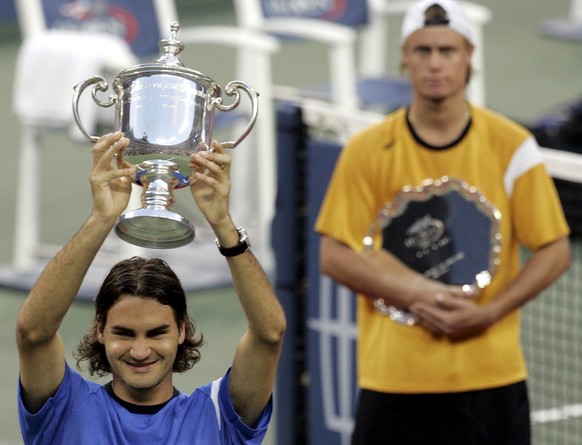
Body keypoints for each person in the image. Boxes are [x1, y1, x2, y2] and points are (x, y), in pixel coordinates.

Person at [315, 0, 571, 444]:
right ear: (405, 58)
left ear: (468, 55)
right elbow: (334, 255)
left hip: (490, 376)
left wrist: (489, 313)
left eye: (447, 50)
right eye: (423, 50)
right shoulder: (367, 149)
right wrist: (420, 295)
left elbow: (555, 249)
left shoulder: (512, 145)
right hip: (394, 378)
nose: (435, 63)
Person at [16, 132, 286, 444]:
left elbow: (270, 334)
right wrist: (101, 219)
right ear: (100, 330)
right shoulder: (65, 409)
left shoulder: (218, 415)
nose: (140, 351)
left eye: (156, 333)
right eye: (124, 333)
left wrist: (223, 224)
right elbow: (33, 333)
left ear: (181, 331)